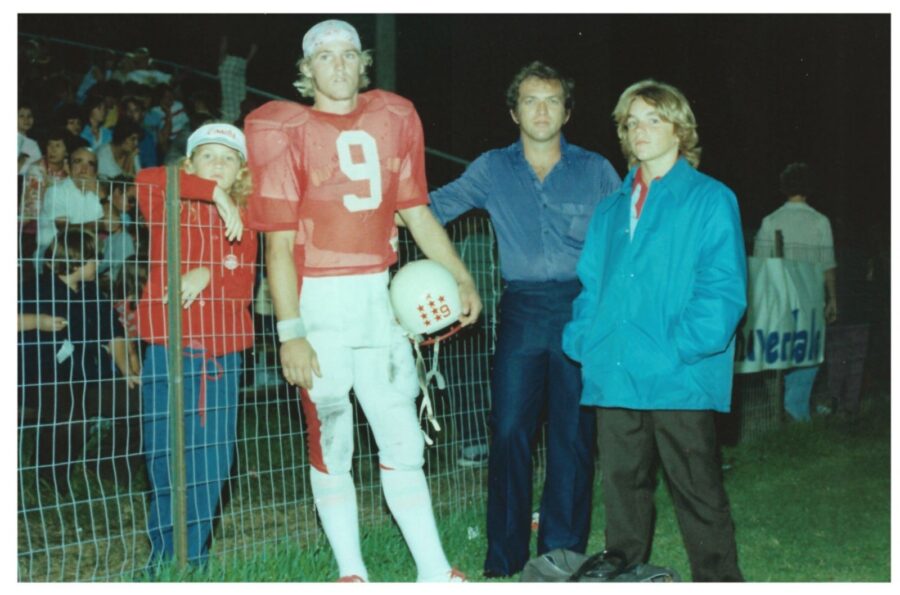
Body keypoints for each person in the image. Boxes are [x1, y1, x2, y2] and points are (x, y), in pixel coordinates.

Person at [244, 19, 481, 583]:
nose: (340, 65)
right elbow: (276, 245)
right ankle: (352, 572)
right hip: (318, 304)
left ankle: (433, 570)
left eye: (349, 54)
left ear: (363, 62)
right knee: (332, 439)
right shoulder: (282, 127)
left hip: (378, 298)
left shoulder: (393, 116)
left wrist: (462, 277)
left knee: (402, 437)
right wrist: (289, 330)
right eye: (325, 57)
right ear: (307, 71)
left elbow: (415, 210)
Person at [428, 61, 620, 578]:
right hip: (521, 309)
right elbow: (431, 208)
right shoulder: (492, 167)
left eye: (552, 100)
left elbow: (628, 235)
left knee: (573, 436)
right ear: (514, 111)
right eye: (531, 100)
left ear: (567, 111)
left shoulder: (597, 169)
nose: (541, 109)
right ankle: (505, 555)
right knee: (509, 427)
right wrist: (368, 213)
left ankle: (561, 552)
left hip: (581, 308)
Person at [562, 79, 746, 582]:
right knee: (622, 482)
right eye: (631, 122)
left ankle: (718, 579)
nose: (640, 131)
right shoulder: (610, 207)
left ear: (679, 129)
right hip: (614, 366)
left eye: (653, 120)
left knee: (696, 488)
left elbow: (723, 288)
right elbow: (591, 284)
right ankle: (625, 568)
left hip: (677, 372)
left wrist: (684, 346)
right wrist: (583, 340)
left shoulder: (710, 199)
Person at [135, 123, 255, 566]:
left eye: (228, 157)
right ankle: (165, 559)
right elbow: (145, 178)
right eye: (208, 155)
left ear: (241, 170)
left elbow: (242, 284)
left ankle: (191, 559)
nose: (218, 163)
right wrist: (212, 193)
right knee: (164, 457)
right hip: (167, 347)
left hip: (220, 355)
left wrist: (208, 274)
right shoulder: (167, 200)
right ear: (189, 165)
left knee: (211, 463)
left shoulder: (246, 218)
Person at [18, 229, 142, 494]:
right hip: (41, 380)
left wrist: (126, 373)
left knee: (143, 401)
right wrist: (37, 321)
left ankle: (107, 465)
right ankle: (50, 475)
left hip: (87, 377)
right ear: (75, 262)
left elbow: (115, 337)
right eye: (93, 258)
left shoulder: (93, 294)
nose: (98, 264)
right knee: (71, 406)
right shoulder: (34, 288)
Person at [753, 162, 837, 422]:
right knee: (808, 355)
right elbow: (828, 266)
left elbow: (760, 265)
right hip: (811, 303)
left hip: (780, 303)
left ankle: (786, 411)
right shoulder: (820, 222)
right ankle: (796, 411)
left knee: (780, 355)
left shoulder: (770, 221)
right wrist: (832, 298)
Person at [35, 146, 104, 262]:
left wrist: (103, 196)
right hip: (55, 252)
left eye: (90, 164)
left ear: (96, 171)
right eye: (78, 162)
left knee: (122, 240)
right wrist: (100, 225)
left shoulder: (98, 193)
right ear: (67, 166)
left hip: (86, 252)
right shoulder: (56, 191)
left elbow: (114, 224)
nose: (84, 169)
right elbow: (64, 228)